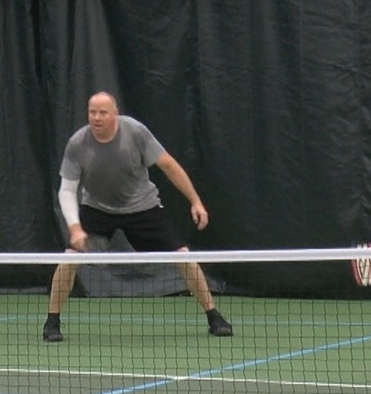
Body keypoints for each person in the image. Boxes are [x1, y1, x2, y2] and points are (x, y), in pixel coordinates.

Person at [42, 91, 232, 342]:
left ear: (115, 113)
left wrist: (195, 201)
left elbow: (169, 165)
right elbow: (66, 190)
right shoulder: (78, 143)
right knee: (68, 261)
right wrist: (75, 227)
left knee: (185, 257)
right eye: (92, 112)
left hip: (142, 208)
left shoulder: (136, 133)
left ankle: (213, 315)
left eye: (102, 112)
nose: (96, 118)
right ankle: (52, 321)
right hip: (97, 210)